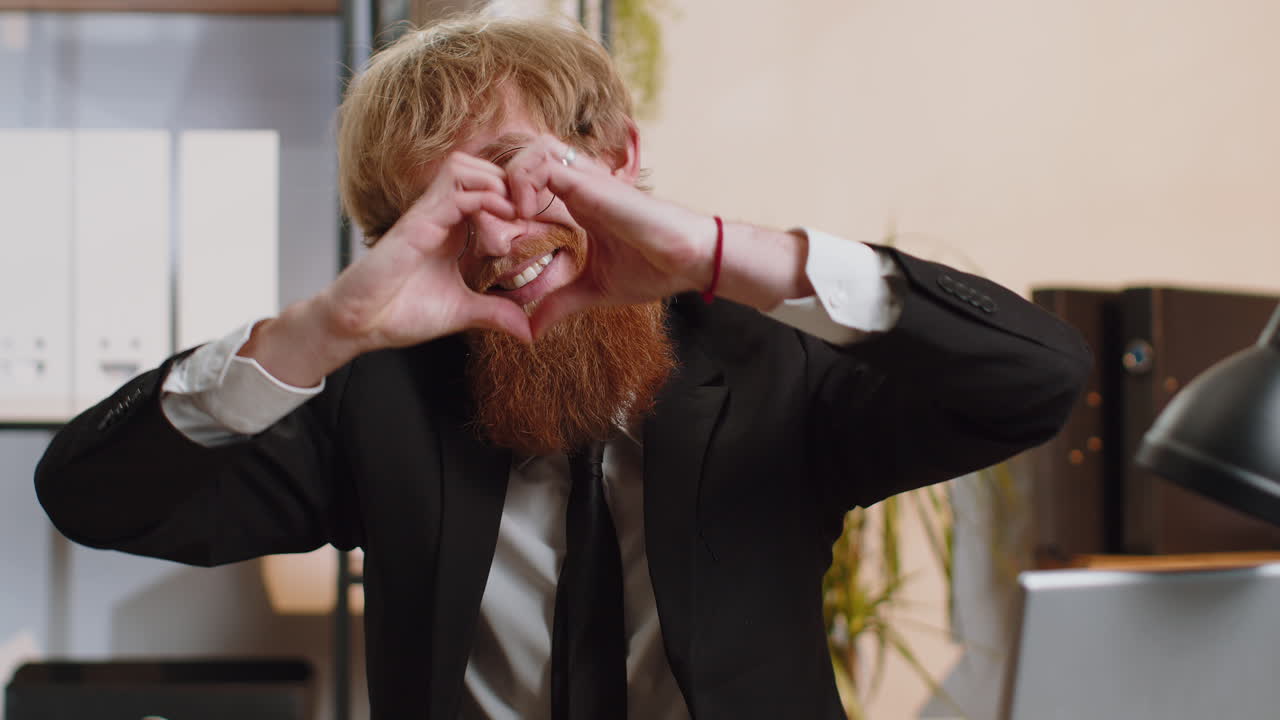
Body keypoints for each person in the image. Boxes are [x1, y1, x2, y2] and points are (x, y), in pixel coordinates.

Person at [35, 13, 1090, 720]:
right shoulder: (378, 398)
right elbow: (94, 497)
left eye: (512, 173)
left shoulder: (771, 364)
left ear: (618, 155)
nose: (495, 242)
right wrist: (317, 332)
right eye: (437, 212)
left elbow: (1035, 380)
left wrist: (721, 253)